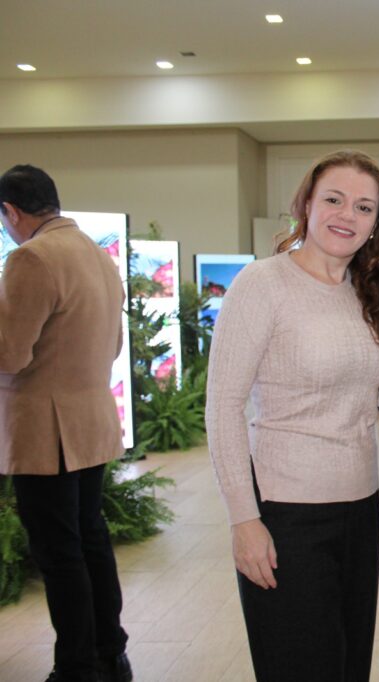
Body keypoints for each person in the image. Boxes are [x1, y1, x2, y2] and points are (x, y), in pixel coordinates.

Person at [205, 150, 379, 681]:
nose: (348, 215)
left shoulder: (370, 293)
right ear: (306, 204)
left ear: (376, 223)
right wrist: (243, 519)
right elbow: (223, 406)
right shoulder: (262, 283)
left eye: (364, 207)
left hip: (362, 506)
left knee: (349, 664)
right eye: (334, 199)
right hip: (285, 512)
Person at [0, 165, 132, 682]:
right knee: (90, 538)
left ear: (11, 211)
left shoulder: (31, 258)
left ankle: (76, 665)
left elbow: (10, 353)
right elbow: (116, 345)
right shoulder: (98, 256)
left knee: (58, 553)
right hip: (92, 419)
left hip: (46, 428)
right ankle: (108, 650)